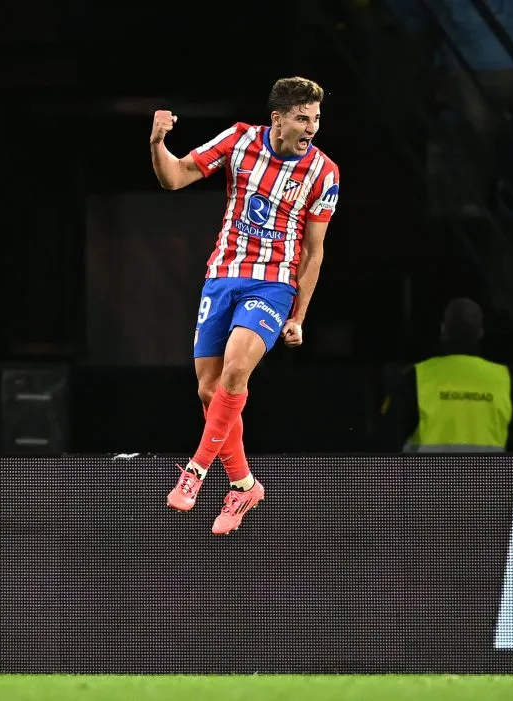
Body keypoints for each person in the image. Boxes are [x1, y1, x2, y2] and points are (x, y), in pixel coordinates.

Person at [149, 76, 340, 535]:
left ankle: (195, 470)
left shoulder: (324, 172)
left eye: (315, 118)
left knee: (236, 370)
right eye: (301, 118)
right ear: (278, 119)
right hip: (223, 277)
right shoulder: (239, 141)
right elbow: (173, 177)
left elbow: (314, 251)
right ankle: (244, 483)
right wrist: (158, 142)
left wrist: (299, 315)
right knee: (210, 393)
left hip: (273, 286)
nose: (311, 127)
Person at [378, 298, 513, 452]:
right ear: (480, 333)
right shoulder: (505, 380)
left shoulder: (416, 378)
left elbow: (387, 442)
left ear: (443, 329)